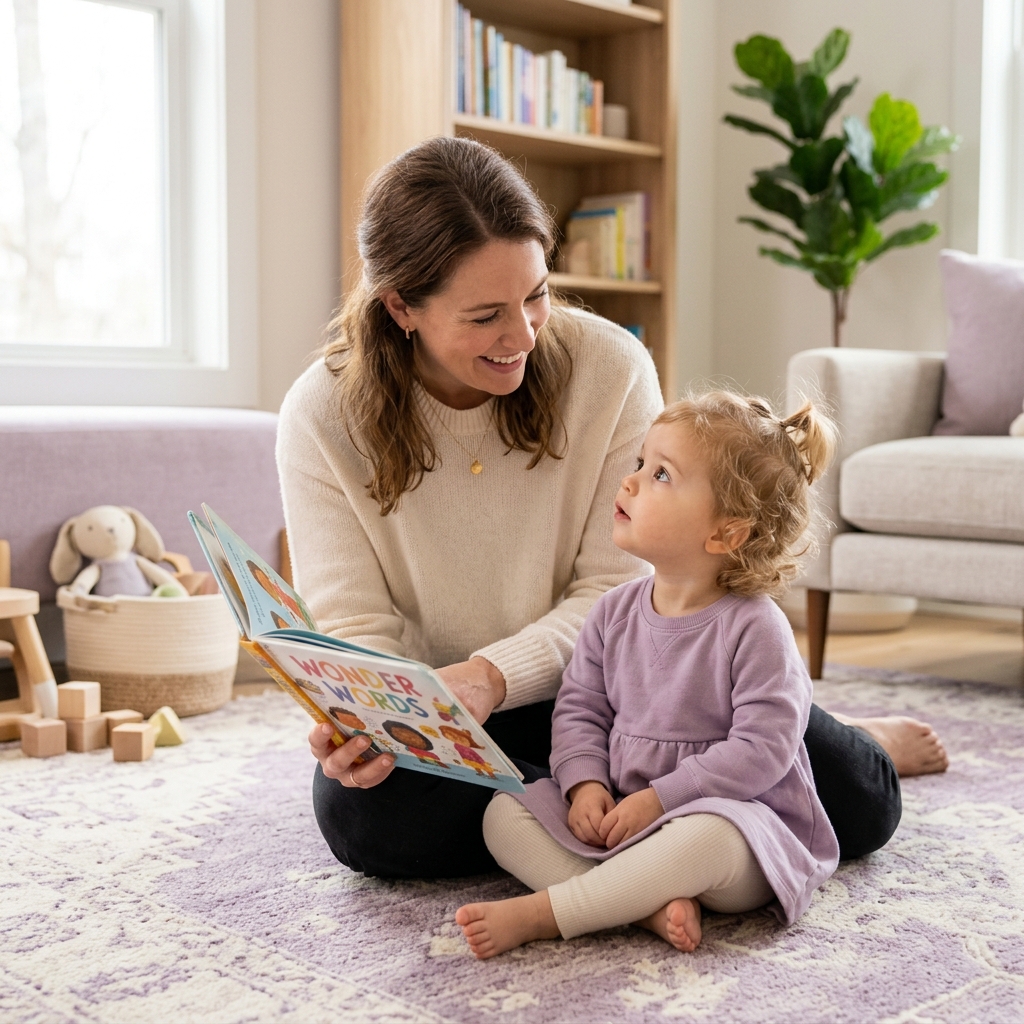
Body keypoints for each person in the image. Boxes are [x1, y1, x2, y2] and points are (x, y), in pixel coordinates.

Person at [277, 136, 945, 882]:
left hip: (628, 689)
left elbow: (617, 587)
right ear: (401, 305)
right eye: (486, 315)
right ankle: (647, 833)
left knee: (858, 801)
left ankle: (815, 743)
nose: (524, 335)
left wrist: (492, 675)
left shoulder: (608, 365)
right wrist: (370, 722)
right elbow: (353, 627)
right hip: (452, 717)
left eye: (537, 294)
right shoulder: (320, 414)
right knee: (366, 821)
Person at [456, 391, 840, 958]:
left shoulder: (758, 627)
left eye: (661, 474)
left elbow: (762, 750)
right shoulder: (611, 611)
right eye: (641, 462)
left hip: (735, 829)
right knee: (504, 812)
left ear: (726, 534)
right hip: (626, 820)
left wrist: (662, 799)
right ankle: (641, 906)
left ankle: (553, 913)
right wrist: (584, 784)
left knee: (709, 837)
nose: (630, 481)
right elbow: (580, 710)